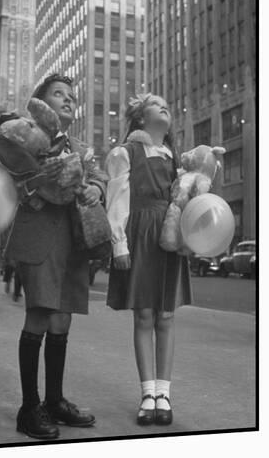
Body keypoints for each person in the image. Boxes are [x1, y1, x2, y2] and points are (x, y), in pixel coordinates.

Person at [5, 74, 107, 440]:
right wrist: (37, 181)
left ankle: (54, 400)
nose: (68, 100)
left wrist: (94, 188)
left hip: (73, 240)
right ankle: (29, 407)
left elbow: (99, 177)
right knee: (40, 315)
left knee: (62, 319)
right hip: (39, 236)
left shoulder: (79, 146)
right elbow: (11, 181)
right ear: (41, 102)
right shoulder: (27, 139)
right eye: (58, 94)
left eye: (72, 96)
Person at [105, 93, 192, 427]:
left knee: (166, 315)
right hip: (140, 232)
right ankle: (147, 393)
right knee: (143, 315)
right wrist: (119, 245)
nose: (165, 106)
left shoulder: (176, 158)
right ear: (140, 118)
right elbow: (117, 200)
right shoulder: (124, 153)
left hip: (168, 235)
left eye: (166, 104)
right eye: (156, 104)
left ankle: (164, 394)